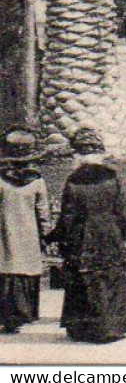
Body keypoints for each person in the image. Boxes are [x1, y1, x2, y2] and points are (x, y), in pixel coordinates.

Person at [48, 130, 126, 344]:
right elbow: (121, 213)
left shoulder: (74, 181)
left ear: (77, 155)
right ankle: (114, 326)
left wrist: (56, 237)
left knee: (84, 279)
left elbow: (68, 216)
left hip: (83, 238)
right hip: (110, 235)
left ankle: (85, 328)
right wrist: (120, 235)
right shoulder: (112, 178)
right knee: (110, 277)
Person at [0, 131, 49, 334]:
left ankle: (6, 315)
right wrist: (45, 234)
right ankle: (22, 314)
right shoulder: (37, 181)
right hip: (28, 235)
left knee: (5, 269)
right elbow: (43, 211)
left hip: (4, 233)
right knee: (24, 270)